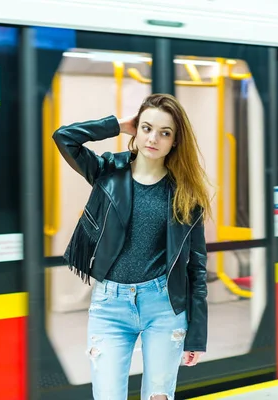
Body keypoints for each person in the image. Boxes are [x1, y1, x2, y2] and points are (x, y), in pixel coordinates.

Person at [53, 93, 211, 400]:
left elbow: (196, 268)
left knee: (158, 396)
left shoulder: (186, 194)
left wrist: (198, 335)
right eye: (147, 128)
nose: (154, 138)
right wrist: (116, 125)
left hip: (164, 306)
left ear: (175, 141)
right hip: (110, 306)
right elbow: (64, 138)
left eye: (165, 133)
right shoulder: (107, 172)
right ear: (136, 130)